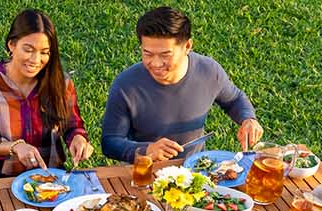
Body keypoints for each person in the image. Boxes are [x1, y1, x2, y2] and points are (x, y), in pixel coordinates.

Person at [100, 7, 263, 162]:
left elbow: (234, 99)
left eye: (165, 55)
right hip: (144, 170)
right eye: (147, 53)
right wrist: (147, 150)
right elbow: (110, 142)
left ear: (187, 46)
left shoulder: (209, 71)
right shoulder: (126, 85)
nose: (155, 63)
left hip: (195, 167)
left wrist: (248, 119)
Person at [0, 9, 93, 178]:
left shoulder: (61, 82)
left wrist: (78, 138)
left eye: (44, 52)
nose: (35, 60)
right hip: (0, 179)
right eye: (28, 49)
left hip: (50, 177)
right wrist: (15, 147)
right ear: (12, 45)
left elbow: (72, 125)